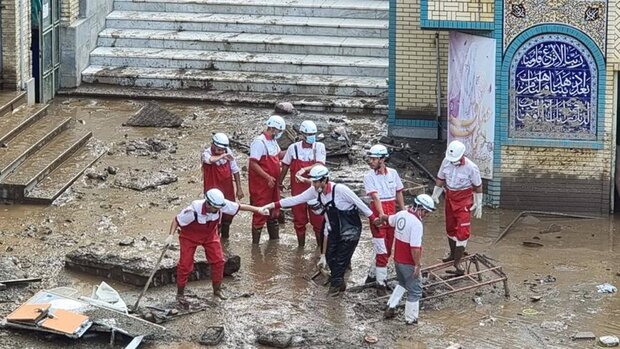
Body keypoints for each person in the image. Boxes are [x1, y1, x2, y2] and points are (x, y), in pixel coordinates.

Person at [261, 165, 380, 296]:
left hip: (350, 229)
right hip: (335, 228)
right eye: (313, 181)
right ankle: (340, 283)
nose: (314, 184)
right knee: (330, 257)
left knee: (341, 260)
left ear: (325, 180)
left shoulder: (341, 190)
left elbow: (361, 204)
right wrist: (272, 205)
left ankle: (334, 290)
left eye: (317, 181)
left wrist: (374, 219)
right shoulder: (315, 191)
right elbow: (295, 200)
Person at [166, 189, 269, 306]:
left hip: (209, 235)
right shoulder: (192, 211)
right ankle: (180, 293)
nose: (217, 210)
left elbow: (239, 207)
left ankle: (217, 290)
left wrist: (258, 210)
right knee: (185, 265)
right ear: (208, 204)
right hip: (189, 237)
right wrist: (170, 236)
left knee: (218, 261)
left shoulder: (221, 205)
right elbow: (176, 220)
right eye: (215, 208)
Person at [431, 140, 483, 275]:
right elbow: (440, 179)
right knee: (450, 227)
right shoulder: (446, 162)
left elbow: (478, 186)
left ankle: (458, 263)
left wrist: (478, 203)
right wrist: (435, 193)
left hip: (464, 201)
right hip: (449, 198)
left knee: (462, 231)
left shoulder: (471, 167)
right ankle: (453, 254)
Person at [383, 194, 435, 325]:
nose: (426, 215)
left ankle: (390, 307)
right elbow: (415, 248)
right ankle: (411, 320)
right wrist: (417, 265)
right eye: (425, 212)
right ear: (419, 208)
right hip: (408, 262)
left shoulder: (401, 214)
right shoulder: (417, 224)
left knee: (402, 283)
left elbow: (388, 220)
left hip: (397, 259)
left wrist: (379, 219)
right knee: (415, 291)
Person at [363, 144, 405, 296]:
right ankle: (381, 285)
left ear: (382, 159)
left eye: (374, 159)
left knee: (387, 249)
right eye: (371, 158)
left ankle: (372, 276)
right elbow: (375, 197)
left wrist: (403, 211)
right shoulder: (369, 177)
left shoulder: (393, 174)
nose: (371, 161)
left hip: (392, 215)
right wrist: (381, 216)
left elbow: (399, 192)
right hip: (378, 216)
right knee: (381, 250)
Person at [278, 120, 327, 248]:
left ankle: (320, 249)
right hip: (298, 190)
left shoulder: (319, 147)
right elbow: (285, 166)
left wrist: (304, 169)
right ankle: (300, 248)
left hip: (315, 190)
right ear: (302, 134)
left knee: (318, 221)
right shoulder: (293, 148)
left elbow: (320, 164)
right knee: (299, 221)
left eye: (314, 134)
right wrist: (280, 182)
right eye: (309, 134)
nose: (312, 136)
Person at [248, 115, 286, 244]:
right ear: (274, 128)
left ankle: (274, 242)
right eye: (279, 131)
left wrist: (291, 151)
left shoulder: (273, 141)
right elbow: (253, 163)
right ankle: (255, 245)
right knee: (260, 211)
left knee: (274, 211)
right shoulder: (259, 142)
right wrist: (267, 176)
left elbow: (278, 155)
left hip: (272, 184)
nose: (280, 134)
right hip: (261, 185)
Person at [202, 132, 244, 239]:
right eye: (219, 149)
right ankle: (213, 238)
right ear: (213, 145)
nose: (221, 151)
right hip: (212, 189)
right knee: (213, 214)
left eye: (223, 149)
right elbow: (210, 160)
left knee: (228, 214)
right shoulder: (206, 153)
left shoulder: (228, 152)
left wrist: (239, 188)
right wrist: (222, 156)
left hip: (227, 188)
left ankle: (225, 239)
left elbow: (235, 170)